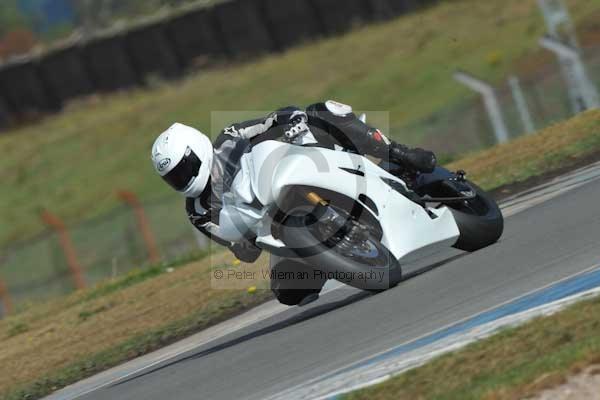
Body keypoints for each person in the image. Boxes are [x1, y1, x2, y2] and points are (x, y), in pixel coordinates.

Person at [151, 100, 436, 264]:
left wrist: (292, 119)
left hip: (293, 167)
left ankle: (401, 154)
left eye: (183, 169)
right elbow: (239, 250)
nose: (182, 179)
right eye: (173, 178)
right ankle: (337, 259)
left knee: (324, 111)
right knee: (289, 292)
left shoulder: (229, 138)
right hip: (276, 227)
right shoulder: (198, 211)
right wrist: (242, 245)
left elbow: (270, 120)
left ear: (197, 150)